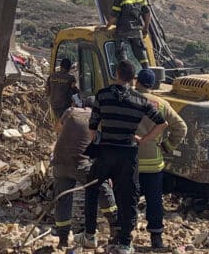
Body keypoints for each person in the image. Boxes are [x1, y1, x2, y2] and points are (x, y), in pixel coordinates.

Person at [79, 60, 167, 254]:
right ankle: (125, 243)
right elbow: (162, 123)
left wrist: (99, 141)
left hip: (106, 151)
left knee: (92, 189)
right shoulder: (140, 100)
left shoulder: (102, 95)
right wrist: (144, 139)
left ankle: (90, 234)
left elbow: (92, 127)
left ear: (117, 73)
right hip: (128, 154)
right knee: (128, 197)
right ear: (133, 78)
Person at [51, 98, 118, 248]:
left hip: (59, 163)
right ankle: (115, 227)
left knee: (63, 200)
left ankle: (63, 240)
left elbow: (57, 129)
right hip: (80, 164)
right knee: (103, 188)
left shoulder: (70, 112)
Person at [135, 69, 188, 251]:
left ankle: (123, 236)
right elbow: (181, 127)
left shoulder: (127, 99)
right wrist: (167, 145)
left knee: (127, 198)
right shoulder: (162, 104)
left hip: (130, 160)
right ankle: (156, 238)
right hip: (153, 162)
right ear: (154, 85)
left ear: (137, 82)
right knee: (154, 201)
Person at [106, 0, 151, 65]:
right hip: (137, 30)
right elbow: (147, 13)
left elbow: (114, 17)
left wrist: (107, 26)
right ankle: (146, 70)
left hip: (123, 30)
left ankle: (125, 72)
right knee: (141, 53)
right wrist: (145, 27)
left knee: (121, 52)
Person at [46, 58, 79, 122]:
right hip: (64, 106)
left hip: (53, 104)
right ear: (69, 68)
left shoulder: (52, 75)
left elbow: (47, 90)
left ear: (60, 66)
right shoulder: (70, 78)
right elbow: (74, 91)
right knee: (64, 123)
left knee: (58, 121)